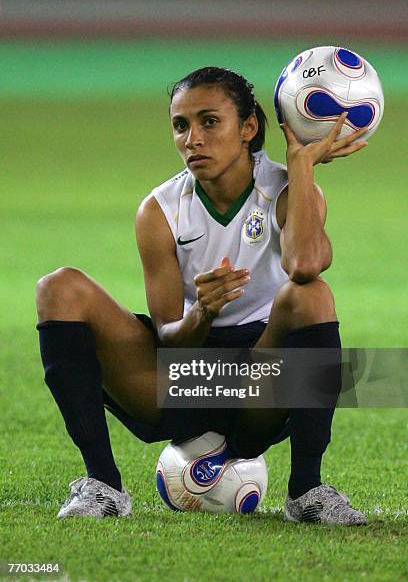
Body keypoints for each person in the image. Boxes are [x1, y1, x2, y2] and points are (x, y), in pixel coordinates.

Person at [36, 66, 367, 524]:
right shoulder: (160, 210)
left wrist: (302, 165)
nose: (192, 138)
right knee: (59, 288)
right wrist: (205, 313)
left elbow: (306, 266)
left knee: (311, 296)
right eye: (181, 125)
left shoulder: (289, 190)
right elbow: (171, 340)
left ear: (248, 128)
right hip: (185, 378)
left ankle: (307, 490)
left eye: (209, 121)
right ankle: (102, 485)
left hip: (259, 383)